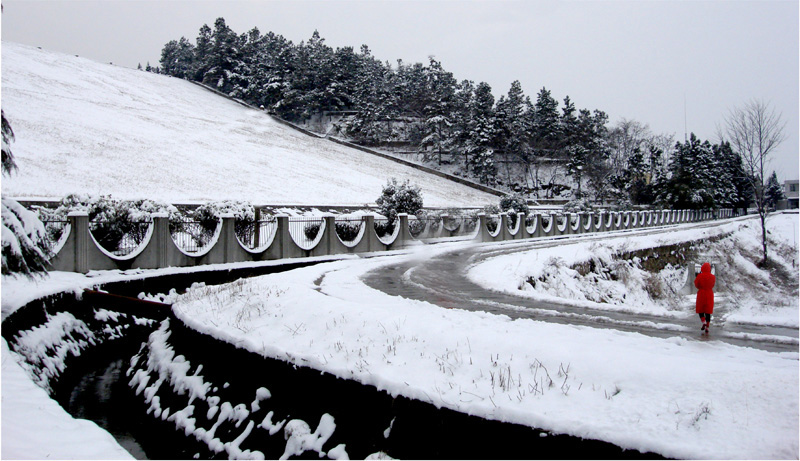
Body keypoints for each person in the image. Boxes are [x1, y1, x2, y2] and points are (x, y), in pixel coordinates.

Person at [694, 262, 716, 332]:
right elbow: (712, 285)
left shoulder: (699, 276)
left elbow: (696, 284)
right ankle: (707, 325)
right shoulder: (712, 277)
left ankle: (704, 322)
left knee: (701, 310)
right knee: (708, 311)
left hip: (701, 294)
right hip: (709, 294)